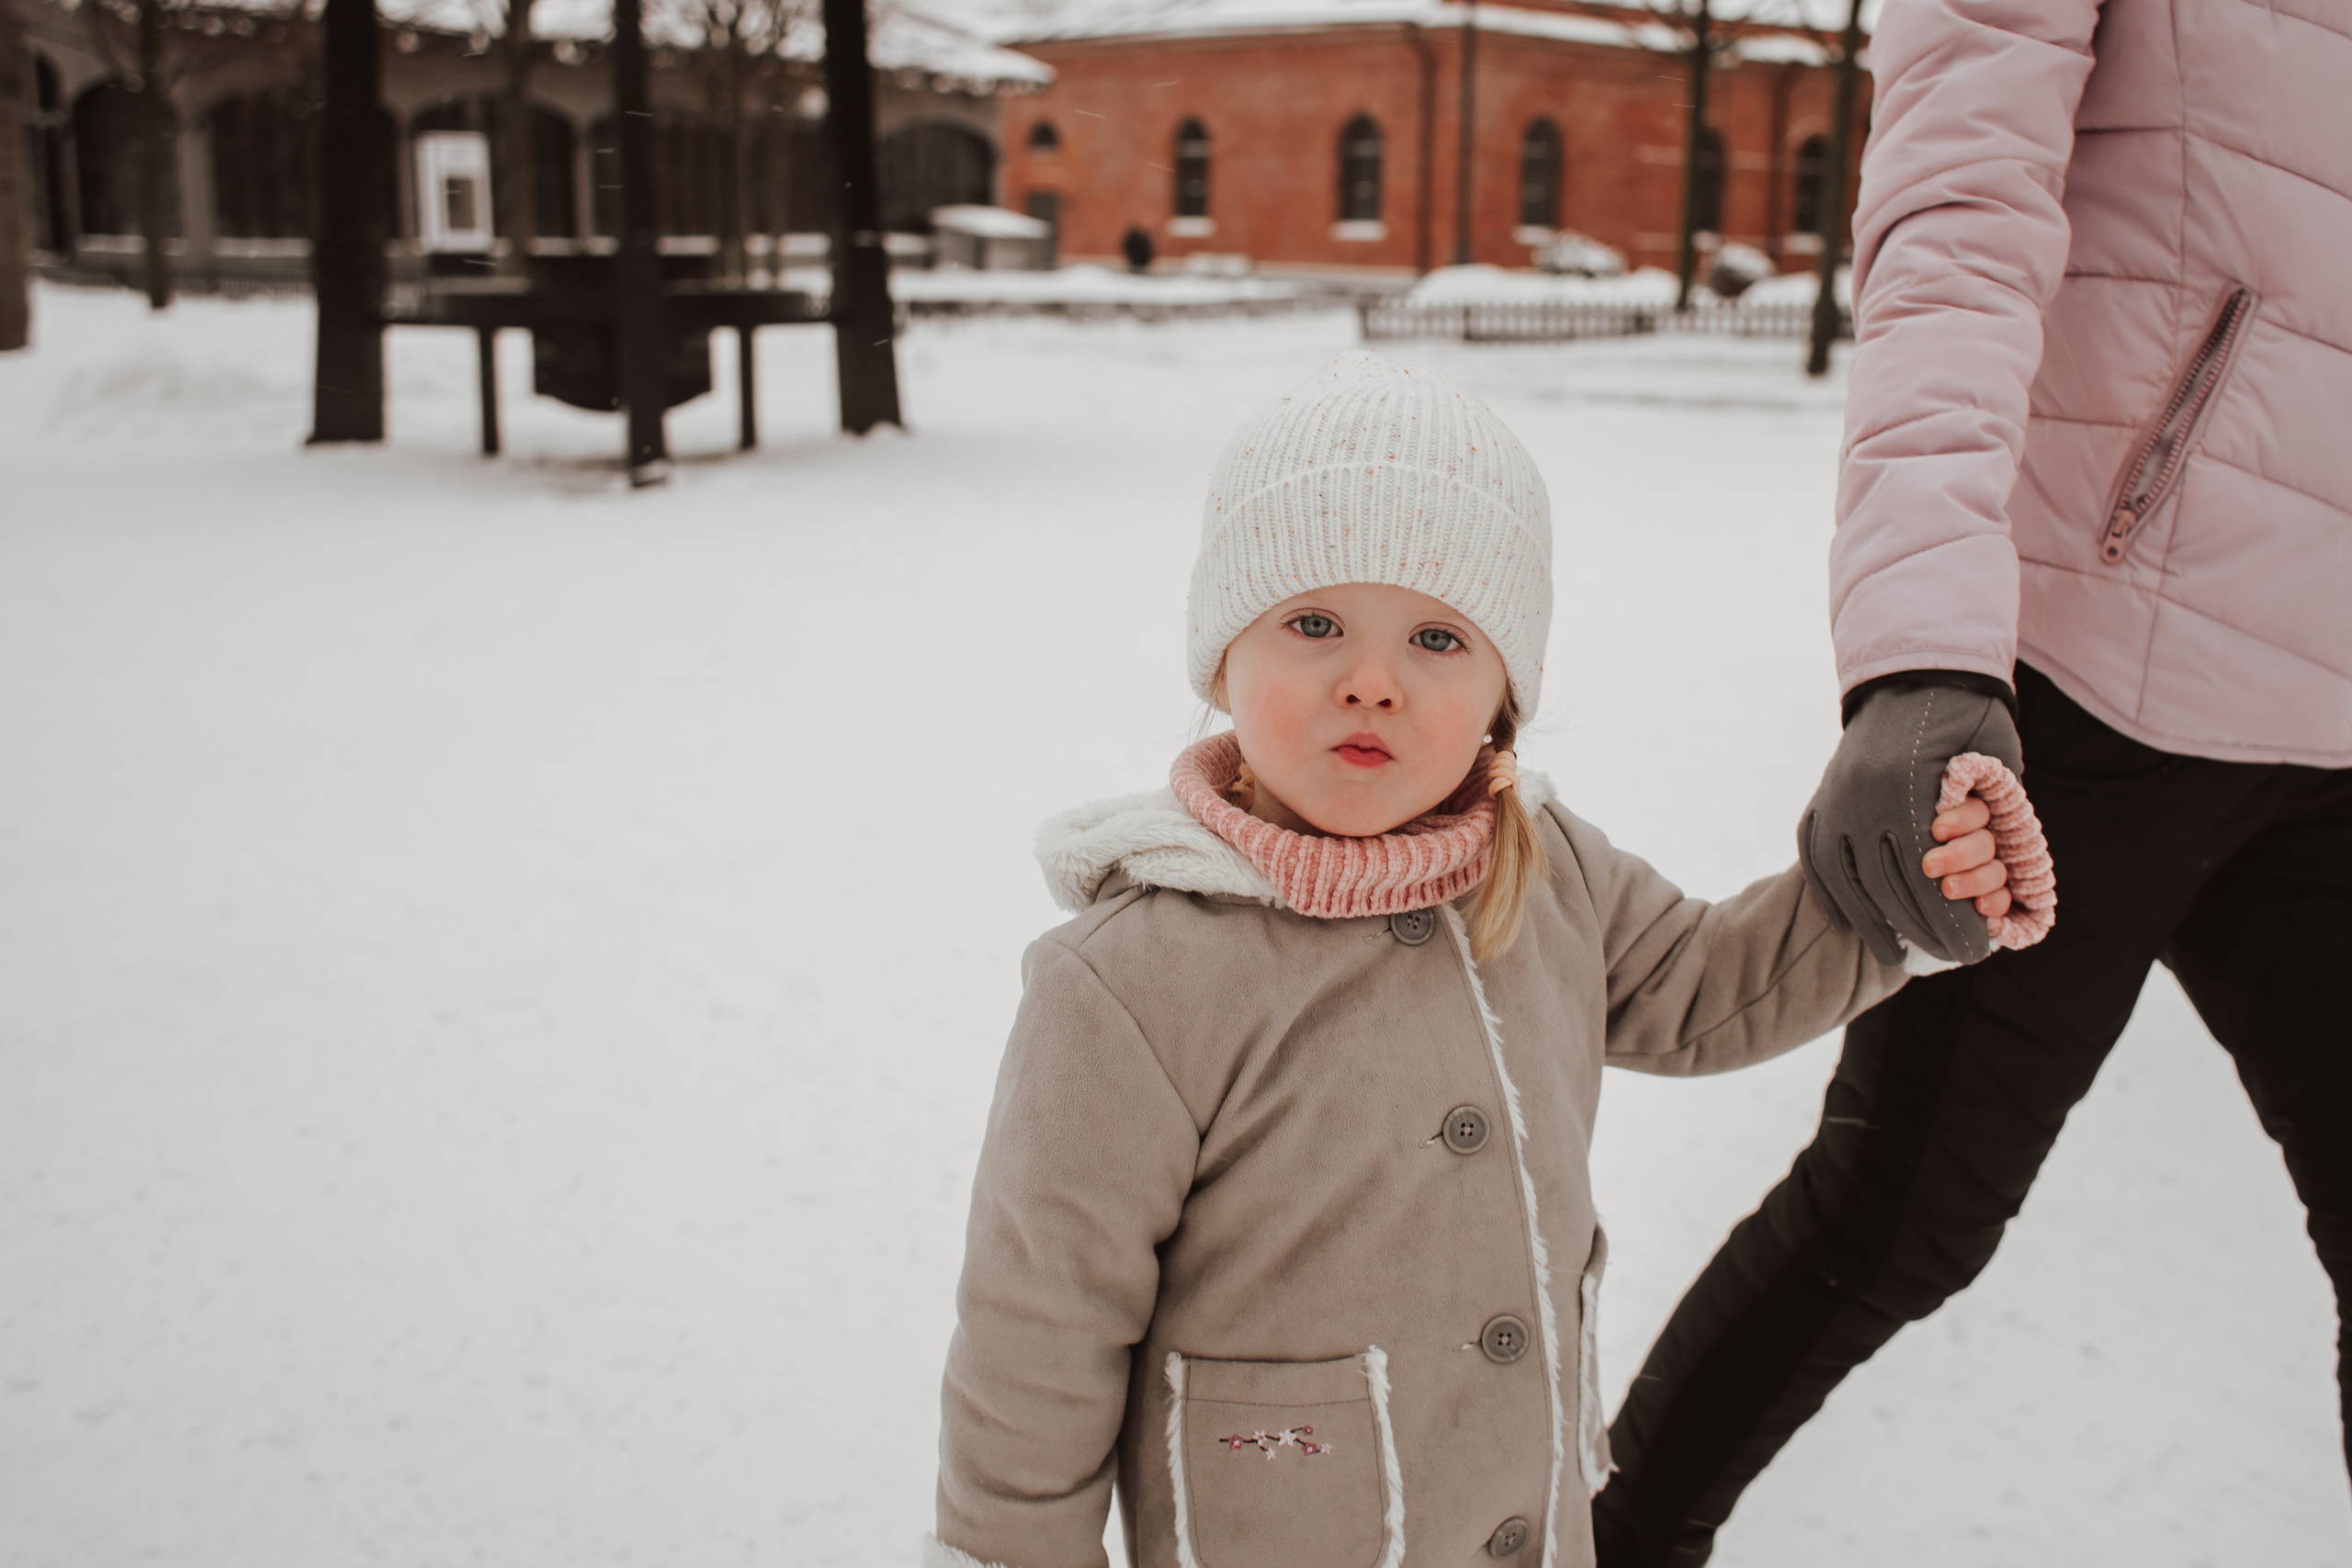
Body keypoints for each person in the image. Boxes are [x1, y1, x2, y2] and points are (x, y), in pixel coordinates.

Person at [926, 351, 2033, 1568]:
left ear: (1507, 690)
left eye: (1439, 638)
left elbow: (1712, 986)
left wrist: (1892, 890)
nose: (1371, 682)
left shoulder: (1543, 870)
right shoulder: (1133, 980)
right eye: (1313, 623)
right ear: (1222, 654)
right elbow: (1039, 1330)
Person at [1589, 0, 2352, 1562]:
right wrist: (1927, 655)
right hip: (2096, 673)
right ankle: (1611, 1543)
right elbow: (1959, 213)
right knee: (1898, 1221)